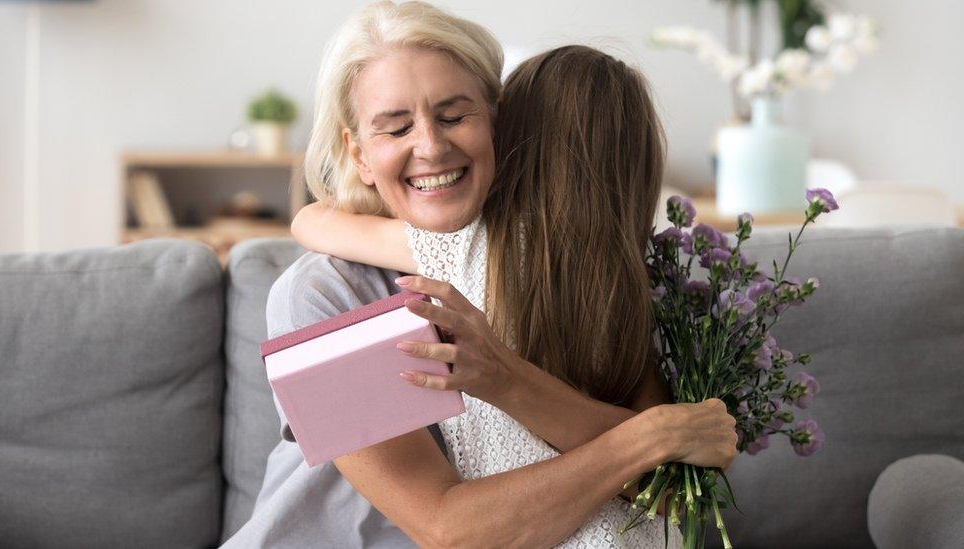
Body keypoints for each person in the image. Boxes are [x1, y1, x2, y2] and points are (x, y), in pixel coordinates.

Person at [225, 2, 737, 547]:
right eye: (396, 127)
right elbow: (446, 527)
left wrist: (651, 439)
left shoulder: (575, 274)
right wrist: (648, 439)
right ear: (359, 154)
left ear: (498, 120)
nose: (431, 146)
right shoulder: (330, 295)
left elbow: (673, 487)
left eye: (454, 115)